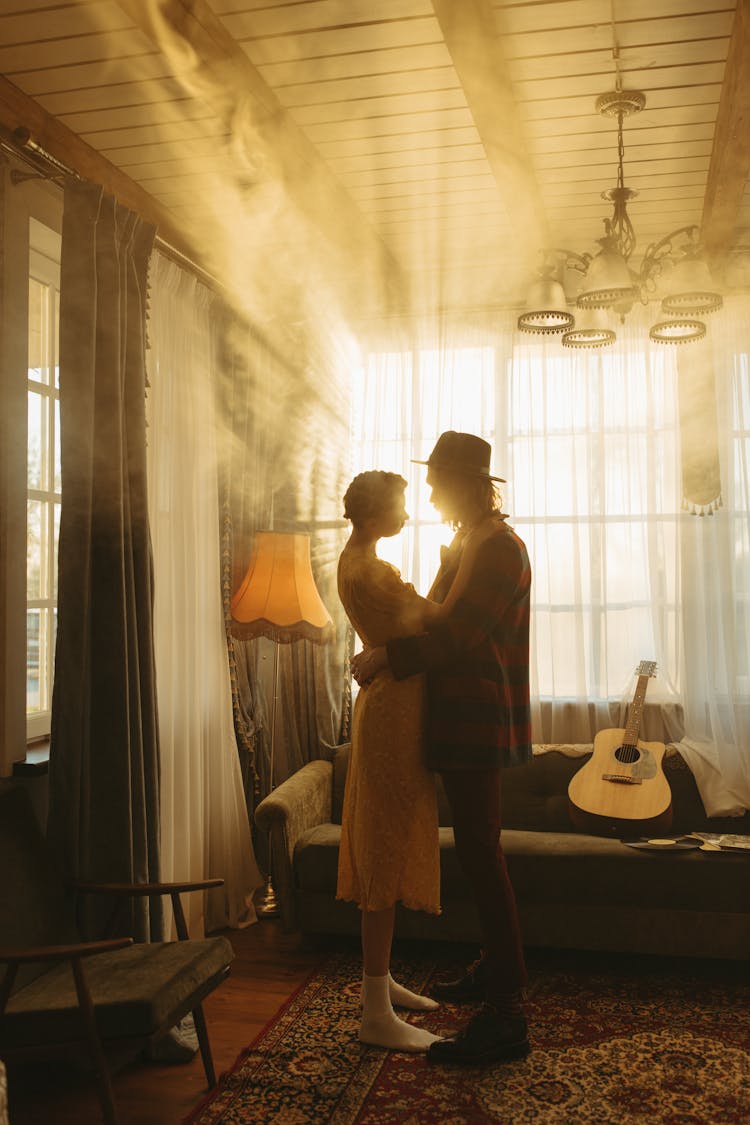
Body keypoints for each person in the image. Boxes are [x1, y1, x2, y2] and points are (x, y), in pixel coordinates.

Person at [350, 431, 532, 1067]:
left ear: (466, 483)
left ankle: (508, 1015)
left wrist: (383, 658)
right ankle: (493, 972)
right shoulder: (467, 541)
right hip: (458, 719)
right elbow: (430, 619)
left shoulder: (501, 549)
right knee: (480, 853)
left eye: (435, 480)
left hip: (479, 722)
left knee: (483, 855)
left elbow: (457, 634)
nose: (426, 491)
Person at [337, 469, 483, 1053]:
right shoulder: (372, 568)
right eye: (398, 505)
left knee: (386, 842)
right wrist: (457, 564)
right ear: (374, 517)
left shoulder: (359, 560)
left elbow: (406, 628)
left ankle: (382, 982)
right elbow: (438, 619)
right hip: (393, 715)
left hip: (390, 706)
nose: (407, 512)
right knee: (386, 847)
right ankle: (376, 1009)